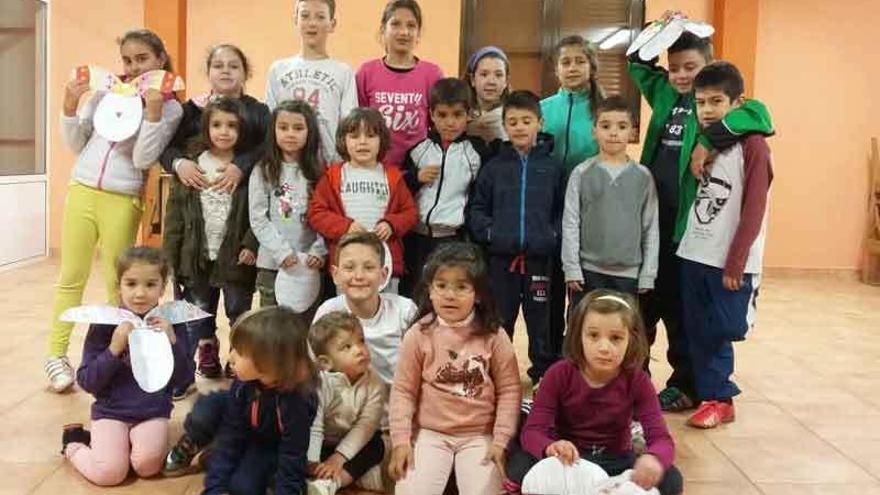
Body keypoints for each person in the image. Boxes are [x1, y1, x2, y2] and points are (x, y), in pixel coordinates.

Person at [628, 18, 774, 411]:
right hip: (652, 221)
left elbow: (759, 115)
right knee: (645, 304)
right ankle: (635, 381)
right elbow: (637, 63)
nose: (679, 75)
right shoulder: (663, 93)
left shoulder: (716, 105)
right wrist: (659, 31)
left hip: (685, 228)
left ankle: (687, 382)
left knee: (681, 310)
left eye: (689, 68)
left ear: (707, 67)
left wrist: (708, 138)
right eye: (674, 67)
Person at [46, 29, 183, 392]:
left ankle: (115, 355)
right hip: (82, 189)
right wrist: (69, 107)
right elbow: (77, 143)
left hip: (123, 198)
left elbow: (142, 158)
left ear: (160, 59)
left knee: (116, 284)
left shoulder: (170, 107)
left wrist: (152, 114)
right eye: (127, 60)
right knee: (71, 277)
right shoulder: (106, 93)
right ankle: (56, 357)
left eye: (143, 59)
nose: (134, 67)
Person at [506, 290, 683, 495]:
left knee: (671, 479)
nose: (604, 347)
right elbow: (533, 432)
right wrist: (550, 447)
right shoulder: (558, 374)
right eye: (593, 335)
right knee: (519, 465)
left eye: (616, 338)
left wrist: (654, 458)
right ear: (578, 336)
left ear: (631, 340)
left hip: (617, 460)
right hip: (567, 459)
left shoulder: (638, 380)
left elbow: (662, 439)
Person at [677, 61, 773, 429]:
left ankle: (719, 394)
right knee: (697, 329)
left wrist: (736, 261)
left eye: (716, 101)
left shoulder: (754, 146)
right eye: (700, 102)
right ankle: (715, 397)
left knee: (727, 327)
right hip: (694, 253)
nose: (707, 110)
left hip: (731, 261)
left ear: (738, 103)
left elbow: (754, 208)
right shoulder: (705, 140)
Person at [389, 243, 521, 495]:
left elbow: (510, 391)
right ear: (430, 290)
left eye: (461, 287)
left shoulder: (494, 335)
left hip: (479, 435)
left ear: (478, 293)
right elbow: (403, 391)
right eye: (441, 285)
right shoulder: (418, 334)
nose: (450, 295)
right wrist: (401, 441)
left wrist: (501, 441)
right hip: (430, 433)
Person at [61, 247, 190, 486]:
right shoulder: (104, 324)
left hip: (152, 411)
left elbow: (184, 378)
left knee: (147, 466)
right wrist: (114, 348)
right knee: (110, 474)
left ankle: (124, 445)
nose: (140, 293)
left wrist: (172, 342)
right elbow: (87, 380)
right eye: (131, 284)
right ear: (119, 286)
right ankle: (74, 444)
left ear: (162, 288)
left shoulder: (170, 324)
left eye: (150, 285)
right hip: (111, 412)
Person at [468, 90, 564, 384]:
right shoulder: (494, 167)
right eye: (513, 122)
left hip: (540, 260)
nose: (520, 127)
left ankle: (544, 376)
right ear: (505, 126)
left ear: (540, 122)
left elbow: (563, 210)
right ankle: (497, 373)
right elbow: (477, 208)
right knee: (499, 319)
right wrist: (491, 233)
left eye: (526, 120)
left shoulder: (553, 167)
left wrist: (551, 236)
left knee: (542, 321)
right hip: (501, 260)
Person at [163, 97, 257, 392]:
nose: (224, 131)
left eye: (232, 125)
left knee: (238, 312)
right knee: (196, 315)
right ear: (206, 128)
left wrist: (252, 244)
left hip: (236, 258)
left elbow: (259, 209)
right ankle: (188, 370)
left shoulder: (247, 169)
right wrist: (169, 259)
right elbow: (176, 214)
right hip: (196, 258)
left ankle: (238, 360)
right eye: (217, 124)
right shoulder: (193, 166)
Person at [197, 307, 319, 495]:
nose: (230, 357)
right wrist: (214, 489)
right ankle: (215, 456)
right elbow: (231, 436)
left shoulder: (298, 400)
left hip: (274, 448)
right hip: (251, 437)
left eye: (238, 351)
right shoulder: (242, 385)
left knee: (244, 487)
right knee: (214, 424)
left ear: (269, 362)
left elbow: (293, 454)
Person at [562, 95, 659, 308]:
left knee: (622, 332)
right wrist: (571, 268)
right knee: (582, 331)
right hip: (587, 272)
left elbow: (650, 228)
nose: (613, 132)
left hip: (629, 274)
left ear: (633, 132)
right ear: (594, 131)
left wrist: (648, 274)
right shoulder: (581, 173)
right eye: (606, 126)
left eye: (622, 126)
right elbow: (570, 223)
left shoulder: (643, 176)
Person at [308, 108, 418, 293]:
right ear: (343, 141)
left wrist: (391, 225)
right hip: (347, 263)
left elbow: (410, 212)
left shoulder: (393, 176)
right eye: (354, 136)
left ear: (381, 140)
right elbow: (316, 213)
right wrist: (345, 227)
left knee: (387, 312)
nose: (363, 142)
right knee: (349, 315)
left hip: (385, 262)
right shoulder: (333, 175)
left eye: (370, 135)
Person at [401, 77, 484, 295]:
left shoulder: (475, 153)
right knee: (414, 293)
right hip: (415, 237)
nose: (450, 122)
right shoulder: (419, 150)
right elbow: (400, 192)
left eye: (457, 115)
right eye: (443, 115)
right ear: (431, 115)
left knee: (444, 294)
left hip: (451, 238)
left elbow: (479, 197)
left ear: (468, 115)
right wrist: (415, 178)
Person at [160, 43, 270, 193]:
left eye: (233, 66)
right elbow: (166, 147)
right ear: (208, 72)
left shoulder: (259, 111)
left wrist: (241, 165)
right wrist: (179, 163)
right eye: (218, 66)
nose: (225, 71)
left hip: (243, 200)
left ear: (245, 73)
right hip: (193, 199)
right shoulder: (191, 110)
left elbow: (268, 146)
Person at [249, 100, 326, 312]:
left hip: (310, 266)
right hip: (273, 265)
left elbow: (328, 216)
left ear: (310, 132)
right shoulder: (263, 170)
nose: (290, 134)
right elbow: (258, 218)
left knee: (304, 331)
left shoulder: (320, 173)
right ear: (273, 130)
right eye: (283, 127)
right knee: (272, 330)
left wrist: (318, 250)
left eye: (298, 128)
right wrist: (281, 251)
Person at [312, 232, 417, 388]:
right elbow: (315, 370)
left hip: (398, 402)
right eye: (349, 268)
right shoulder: (328, 311)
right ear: (335, 275)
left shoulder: (404, 311)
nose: (359, 276)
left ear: (383, 275)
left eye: (369, 268)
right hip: (345, 403)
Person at [265, 0, 357, 162]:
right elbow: (270, 123)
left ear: (332, 24)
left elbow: (349, 125)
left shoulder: (343, 71)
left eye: (320, 17)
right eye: (305, 16)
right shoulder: (278, 69)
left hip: (329, 165)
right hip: (287, 165)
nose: (312, 23)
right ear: (296, 20)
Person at [355, 0, 444, 168]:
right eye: (395, 24)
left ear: (418, 33)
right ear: (383, 29)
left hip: (418, 173)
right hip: (374, 170)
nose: (404, 32)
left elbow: (440, 126)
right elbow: (357, 126)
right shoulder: (366, 72)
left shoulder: (432, 74)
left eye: (411, 26)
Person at [306, 311, 387, 494]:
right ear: (325, 363)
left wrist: (339, 458)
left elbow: (365, 426)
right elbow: (315, 424)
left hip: (354, 440)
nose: (359, 350)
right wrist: (312, 461)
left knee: (377, 446)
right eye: (347, 347)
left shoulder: (375, 383)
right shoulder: (319, 383)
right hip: (322, 441)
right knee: (297, 443)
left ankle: (332, 483)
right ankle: (313, 476)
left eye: (361, 341)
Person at [464, 46, 510, 143]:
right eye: (484, 74)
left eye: (498, 75)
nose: (491, 82)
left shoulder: (515, 117)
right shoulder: (459, 116)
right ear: (472, 80)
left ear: (506, 81)